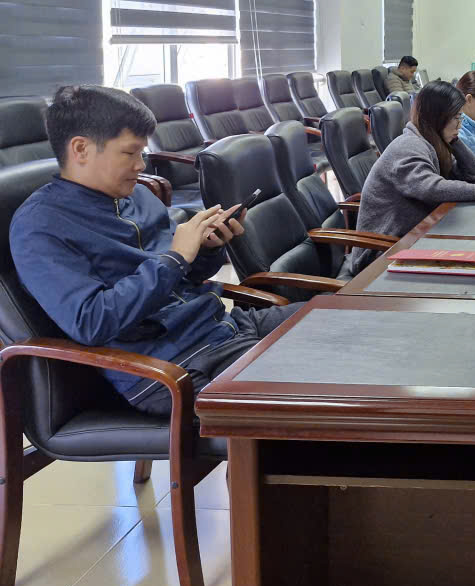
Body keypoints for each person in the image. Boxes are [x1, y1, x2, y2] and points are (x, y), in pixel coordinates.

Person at [9, 85, 307, 415]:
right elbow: (91, 322)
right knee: (324, 381)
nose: (141, 165)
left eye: (142, 153)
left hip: (222, 327)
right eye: (130, 153)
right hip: (172, 367)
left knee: (338, 325)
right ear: (81, 149)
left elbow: (181, 279)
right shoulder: (40, 226)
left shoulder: (137, 196)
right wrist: (174, 258)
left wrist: (206, 249)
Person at [352, 82, 475, 272]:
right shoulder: (409, 146)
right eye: (456, 118)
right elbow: (431, 188)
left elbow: (473, 172)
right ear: (438, 117)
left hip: (414, 235)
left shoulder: (431, 141)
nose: (460, 124)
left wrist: (454, 138)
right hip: (382, 252)